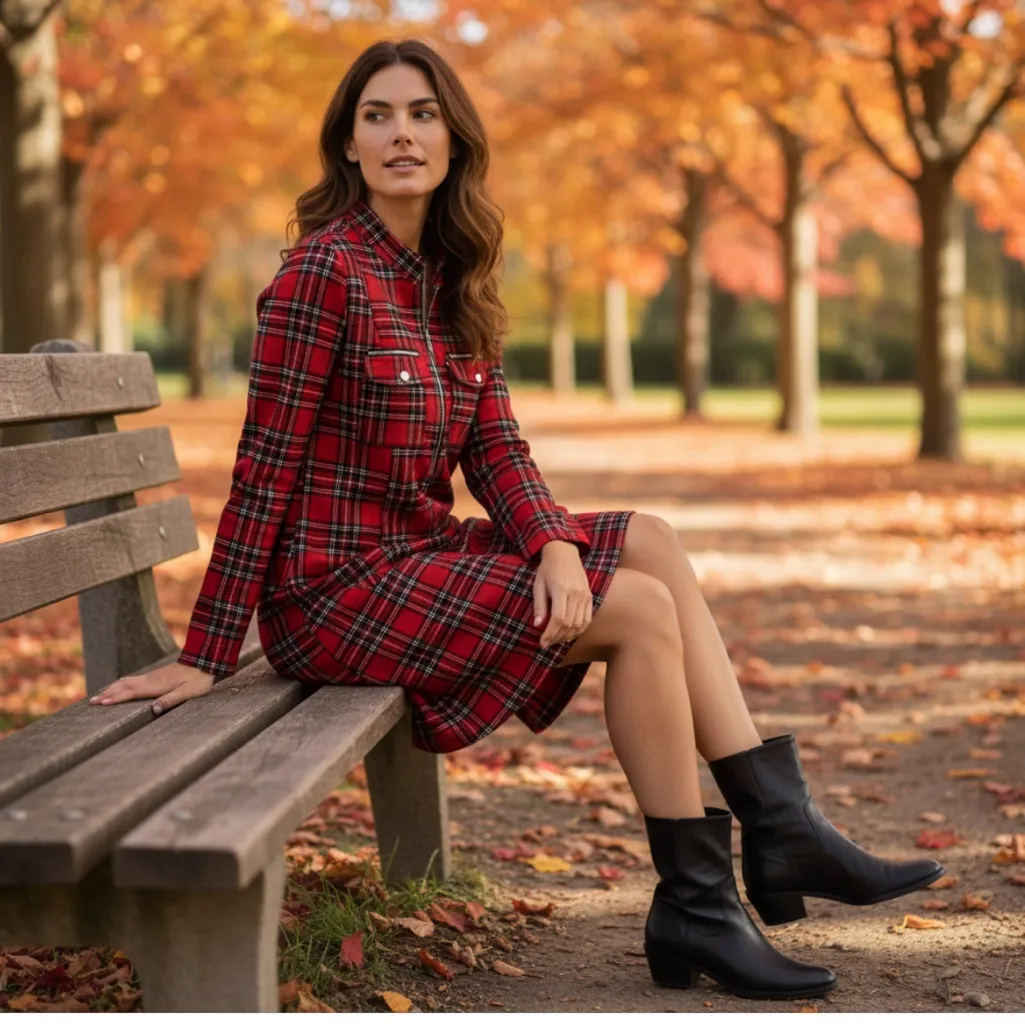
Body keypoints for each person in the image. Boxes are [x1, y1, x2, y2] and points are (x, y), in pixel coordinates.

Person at [89, 37, 944, 1000]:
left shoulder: (448, 279)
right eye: (378, 115)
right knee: (639, 610)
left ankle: (780, 832)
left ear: (453, 139)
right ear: (349, 146)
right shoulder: (318, 277)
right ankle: (701, 902)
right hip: (331, 592)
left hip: (409, 558)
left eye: (421, 114)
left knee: (649, 541)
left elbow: (497, 448)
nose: (402, 133)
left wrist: (553, 544)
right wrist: (207, 652)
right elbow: (263, 469)